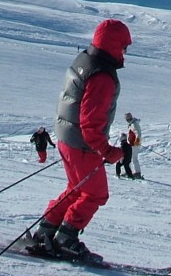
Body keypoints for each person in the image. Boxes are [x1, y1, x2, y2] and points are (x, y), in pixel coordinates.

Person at [32, 19, 133, 261]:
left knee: (76, 190)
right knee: (96, 194)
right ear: (115, 45)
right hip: (82, 143)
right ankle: (66, 238)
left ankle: (45, 232)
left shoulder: (85, 60)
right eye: (124, 47)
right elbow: (90, 122)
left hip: (67, 136)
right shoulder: (102, 76)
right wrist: (106, 151)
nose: (125, 52)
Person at [125, 112, 144, 180]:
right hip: (132, 143)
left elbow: (138, 132)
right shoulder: (131, 124)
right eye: (126, 117)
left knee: (134, 158)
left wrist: (137, 141)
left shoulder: (134, 124)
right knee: (129, 158)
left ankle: (137, 173)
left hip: (134, 144)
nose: (126, 119)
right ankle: (129, 171)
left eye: (128, 117)